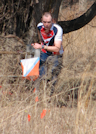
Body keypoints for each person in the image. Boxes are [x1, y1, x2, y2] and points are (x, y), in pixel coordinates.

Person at [31, 12, 63, 77]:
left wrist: (41, 46)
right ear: (41, 20)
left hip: (56, 53)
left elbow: (57, 48)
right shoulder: (39, 26)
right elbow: (41, 38)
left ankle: (51, 86)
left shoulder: (57, 29)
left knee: (53, 76)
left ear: (52, 21)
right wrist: (39, 45)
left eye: (48, 22)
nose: (46, 24)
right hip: (44, 52)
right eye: (44, 22)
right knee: (40, 74)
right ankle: (41, 86)